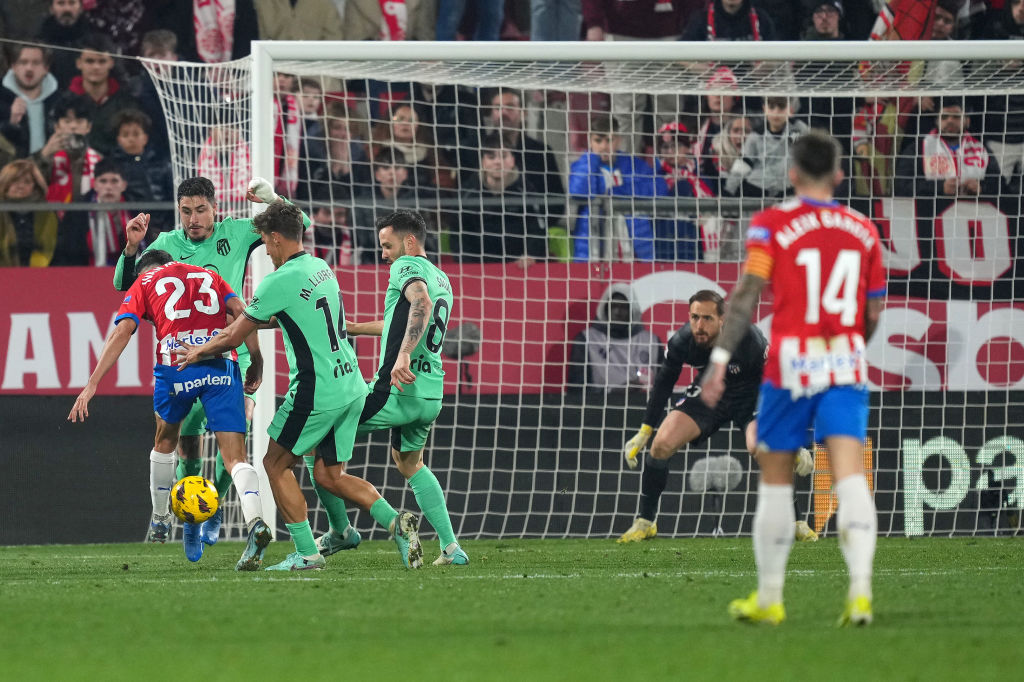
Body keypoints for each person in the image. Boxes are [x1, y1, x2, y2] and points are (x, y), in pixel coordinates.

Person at [700, 131, 885, 626]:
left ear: (793, 173)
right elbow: (872, 311)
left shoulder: (773, 225)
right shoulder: (865, 230)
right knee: (849, 478)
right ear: (840, 175)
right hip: (844, 363)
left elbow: (744, 297)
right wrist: (849, 345)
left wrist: (718, 363)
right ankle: (861, 593)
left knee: (777, 483)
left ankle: (771, 597)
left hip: (790, 367)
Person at [176, 202, 423, 571]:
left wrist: (197, 351)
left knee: (274, 464)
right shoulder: (320, 266)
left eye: (265, 242)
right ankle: (395, 523)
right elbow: (290, 315)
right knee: (329, 473)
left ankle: (306, 552)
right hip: (352, 383)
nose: (266, 250)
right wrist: (253, 318)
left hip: (316, 392)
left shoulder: (277, 281)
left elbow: (232, 337)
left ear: (276, 238)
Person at [112, 176, 307, 546]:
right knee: (187, 448)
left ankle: (213, 504)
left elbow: (297, 226)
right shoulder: (167, 242)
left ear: (215, 207)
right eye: (186, 211)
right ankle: (193, 514)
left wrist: (272, 198)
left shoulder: (237, 232)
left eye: (200, 210)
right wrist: (131, 247)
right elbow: (127, 284)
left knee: (231, 443)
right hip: (184, 360)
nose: (193, 219)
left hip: (227, 351)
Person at [67, 249, 272, 569]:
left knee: (165, 442)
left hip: (175, 367)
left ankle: (161, 517)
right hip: (220, 366)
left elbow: (122, 331)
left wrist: (92, 383)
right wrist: (257, 360)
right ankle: (256, 522)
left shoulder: (145, 281)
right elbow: (242, 314)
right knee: (235, 458)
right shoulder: (209, 275)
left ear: (146, 270)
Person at [310, 209, 470, 567]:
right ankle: (451, 548)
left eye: (387, 245)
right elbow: (406, 318)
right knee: (410, 463)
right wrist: (354, 327)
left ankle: (341, 531)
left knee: (315, 441)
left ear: (409, 242)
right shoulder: (442, 277)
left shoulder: (406, 266)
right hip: (430, 393)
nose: (383, 254)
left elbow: (420, 303)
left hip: (396, 389)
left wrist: (403, 357)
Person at [617, 290, 816, 544]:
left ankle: (795, 520)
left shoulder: (748, 339)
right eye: (694, 317)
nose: (699, 326)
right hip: (710, 393)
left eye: (707, 319)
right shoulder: (683, 341)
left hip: (752, 395)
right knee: (661, 443)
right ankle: (645, 522)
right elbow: (664, 383)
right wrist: (644, 431)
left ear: (723, 319)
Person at [568, 114, 663, 261]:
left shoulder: (633, 164)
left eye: (609, 140)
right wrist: (592, 159)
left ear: (618, 140)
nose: (603, 146)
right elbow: (578, 191)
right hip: (593, 246)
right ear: (590, 141)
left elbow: (660, 189)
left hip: (634, 246)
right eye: (598, 141)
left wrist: (618, 191)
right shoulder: (582, 165)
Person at [567, 284, 662, 395]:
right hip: (597, 409)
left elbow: (664, 386)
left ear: (632, 310)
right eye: (613, 306)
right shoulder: (586, 340)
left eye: (623, 307)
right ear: (605, 309)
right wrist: (613, 392)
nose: (617, 312)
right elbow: (576, 391)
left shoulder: (651, 341)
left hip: (644, 407)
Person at [0, 44, 60, 158]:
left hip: (52, 170)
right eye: (23, 62)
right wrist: (12, 124)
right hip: (13, 171)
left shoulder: (59, 101)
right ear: (13, 67)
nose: (29, 68)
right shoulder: (2, 99)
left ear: (46, 69)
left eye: (36, 63)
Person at [0, 159, 56, 267]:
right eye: (15, 180)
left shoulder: (46, 214)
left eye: (27, 182)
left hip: (37, 276)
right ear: (5, 182)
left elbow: (47, 249)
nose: (20, 186)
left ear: (34, 186)